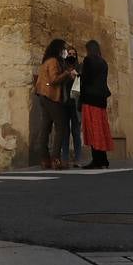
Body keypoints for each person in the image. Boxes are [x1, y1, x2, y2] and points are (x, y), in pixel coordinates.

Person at [34, 38, 76, 169]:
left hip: (43, 95)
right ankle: (55, 159)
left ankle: (44, 159)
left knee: (45, 127)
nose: (65, 51)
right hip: (51, 96)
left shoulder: (46, 61)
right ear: (58, 49)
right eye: (63, 48)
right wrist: (67, 73)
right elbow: (54, 79)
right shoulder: (53, 61)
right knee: (61, 126)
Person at [78, 40, 114, 168]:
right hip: (101, 100)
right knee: (100, 129)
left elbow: (86, 79)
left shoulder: (88, 61)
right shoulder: (103, 62)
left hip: (90, 99)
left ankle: (97, 160)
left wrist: (78, 73)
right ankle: (103, 159)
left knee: (93, 130)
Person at [58, 45, 84, 167]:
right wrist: (67, 74)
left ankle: (78, 158)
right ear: (66, 55)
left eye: (74, 54)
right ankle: (65, 159)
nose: (72, 56)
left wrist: (77, 75)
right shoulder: (62, 67)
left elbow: (83, 81)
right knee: (65, 132)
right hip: (64, 102)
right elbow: (58, 80)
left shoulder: (79, 67)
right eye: (70, 54)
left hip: (75, 103)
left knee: (76, 131)